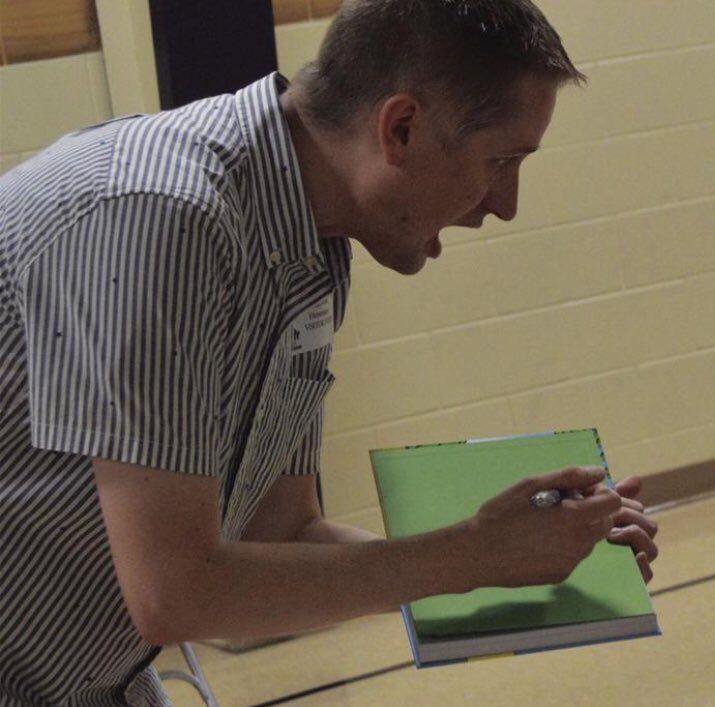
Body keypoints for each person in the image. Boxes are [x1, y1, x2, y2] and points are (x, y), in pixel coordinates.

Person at [0, 1, 658, 704]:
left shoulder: (312, 240)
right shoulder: (164, 215)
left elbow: (281, 530)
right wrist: (470, 554)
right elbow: (177, 592)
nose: (506, 203)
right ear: (400, 128)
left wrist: (525, 558)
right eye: (500, 160)